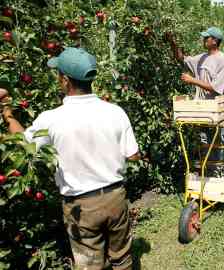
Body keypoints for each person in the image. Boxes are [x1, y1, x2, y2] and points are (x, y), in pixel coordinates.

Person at [1, 47, 140, 270]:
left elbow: (22, 146)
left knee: (89, 264)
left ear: (65, 81)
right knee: (122, 258)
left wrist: (7, 112)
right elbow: (133, 155)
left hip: (80, 206)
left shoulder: (51, 120)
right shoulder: (115, 112)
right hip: (115, 198)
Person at [166, 26, 224, 177]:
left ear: (214, 41)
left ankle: (220, 176)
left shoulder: (222, 60)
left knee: (218, 144)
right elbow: (181, 58)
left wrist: (192, 80)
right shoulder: (201, 58)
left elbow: (216, 88)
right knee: (203, 142)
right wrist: (172, 42)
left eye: (206, 38)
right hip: (202, 110)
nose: (203, 40)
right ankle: (207, 175)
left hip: (215, 111)